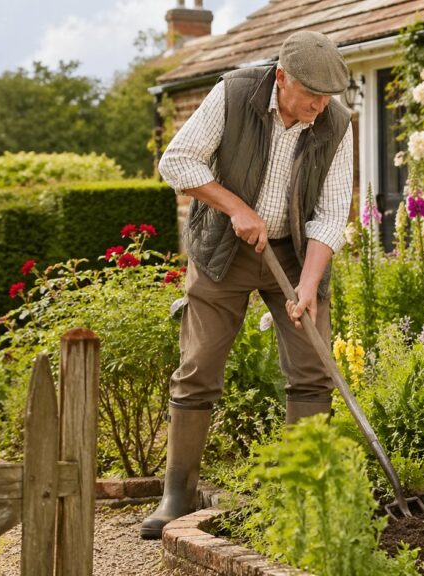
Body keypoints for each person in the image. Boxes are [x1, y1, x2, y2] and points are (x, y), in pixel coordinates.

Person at [140, 30, 354, 540]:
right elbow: (178, 160)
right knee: (198, 367)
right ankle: (178, 494)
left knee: (312, 371)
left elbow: (330, 214)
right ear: (281, 79)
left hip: (295, 253)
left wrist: (307, 286)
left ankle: (305, 497)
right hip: (224, 249)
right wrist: (235, 208)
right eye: (311, 96)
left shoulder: (336, 125)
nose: (319, 108)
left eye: (328, 99)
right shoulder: (235, 94)